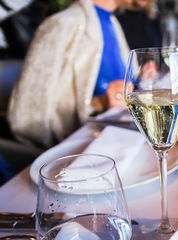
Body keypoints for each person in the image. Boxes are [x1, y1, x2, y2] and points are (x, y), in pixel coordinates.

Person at [7, 0, 130, 149]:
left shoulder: (112, 22)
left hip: (119, 133)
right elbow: (27, 115)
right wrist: (97, 104)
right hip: (86, 146)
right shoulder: (62, 23)